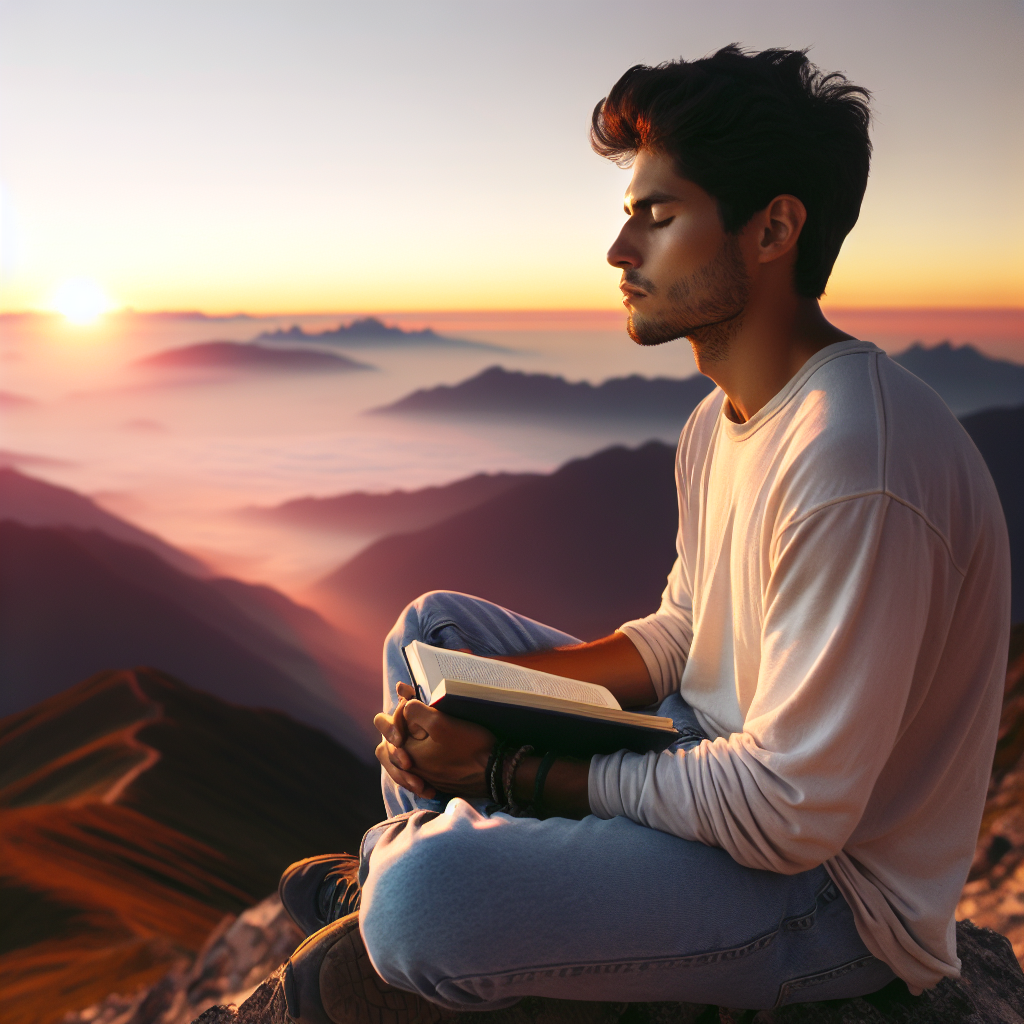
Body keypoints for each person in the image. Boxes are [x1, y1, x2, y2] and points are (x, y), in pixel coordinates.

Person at [278, 45, 1011, 1024]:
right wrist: (495, 702)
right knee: (429, 638)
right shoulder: (726, 418)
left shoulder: (856, 462)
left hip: (827, 897)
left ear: (773, 229)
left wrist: (502, 768)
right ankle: (478, 889)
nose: (620, 251)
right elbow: (680, 633)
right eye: (628, 215)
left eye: (657, 218)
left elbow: (790, 810)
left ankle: (419, 883)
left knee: (423, 902)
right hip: (701, 754)